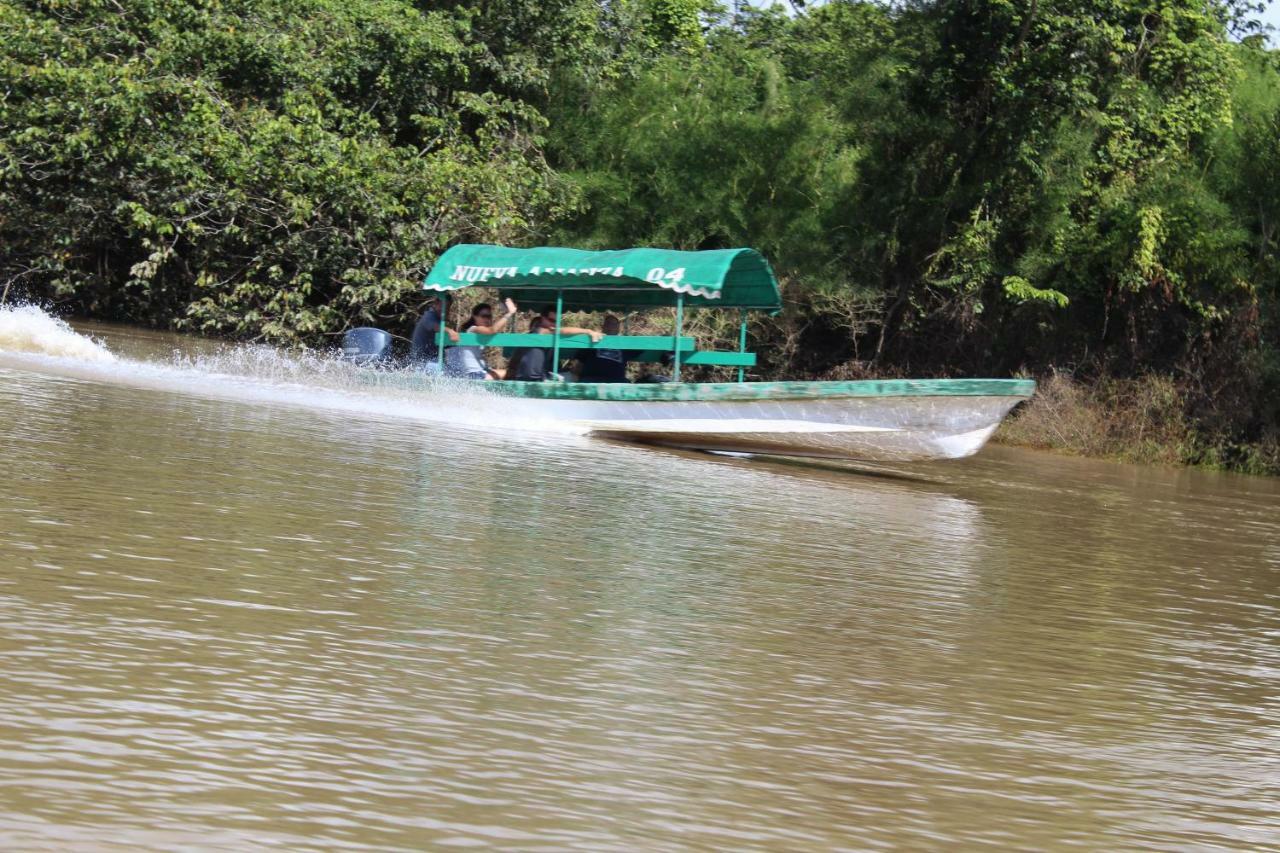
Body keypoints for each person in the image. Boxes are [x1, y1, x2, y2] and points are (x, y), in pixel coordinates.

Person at [507, 307, 603, 381]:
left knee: (572, 376)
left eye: (557, 321)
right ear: (543, 319)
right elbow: (562, 330)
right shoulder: (541, 331)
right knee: (572, 378)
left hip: (540, 377)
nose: (554, 324)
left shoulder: (534, 337)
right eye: (551, 320)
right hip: (534, 380)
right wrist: (587, 331)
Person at [447, 298, 518, 380]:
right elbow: (492, 330)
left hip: (480, 370)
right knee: (511, 373)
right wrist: (509, 313)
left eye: (489, 316)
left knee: (512, 372)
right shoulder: (472, 329)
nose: (487, 319)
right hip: (474, 374)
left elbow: (494, 330)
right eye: (484, 316)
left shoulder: (481, 332)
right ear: (474, 316)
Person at [576, 314, 631, 383]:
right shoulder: (592, 340)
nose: (611, 326)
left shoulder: (624, 344)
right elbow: (579, 365)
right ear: (603, 327)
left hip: (617, 381)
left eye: (614, 324)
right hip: (592, 380)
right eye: (608, 323)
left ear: (618, 329)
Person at [409, 296, 458, 370]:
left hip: (433, 361)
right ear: (435, 304)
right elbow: (435, 327)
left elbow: (441, 343)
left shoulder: (439, 320)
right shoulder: (429, 316)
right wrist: (450, 331)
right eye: (443, 306)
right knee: (449, 372)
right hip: (423, 362)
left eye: (447, 307)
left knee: (456, 371)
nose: (445, 310)